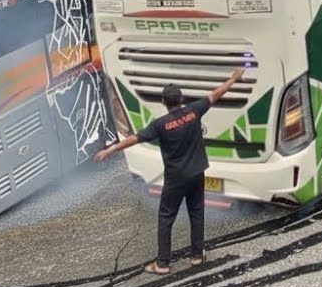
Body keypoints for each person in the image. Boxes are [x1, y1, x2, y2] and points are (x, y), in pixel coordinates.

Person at [95, 67, 246, 275]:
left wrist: (110, 150)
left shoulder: (160, 125)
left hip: (176, 178)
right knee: (197, 211)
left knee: (166, 217)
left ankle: (163, 263)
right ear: (181, 99)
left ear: (164, 103)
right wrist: (234, 79)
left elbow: (133, 139)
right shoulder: (194, 111)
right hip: (196, 172)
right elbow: (215, 94)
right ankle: (196, 256)